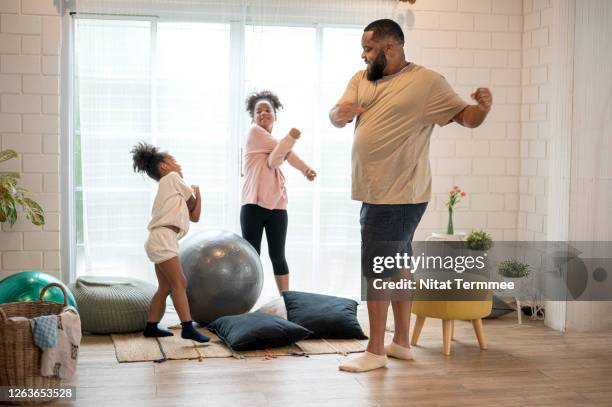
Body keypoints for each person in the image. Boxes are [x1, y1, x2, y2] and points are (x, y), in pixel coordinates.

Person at [329, 19, 492, 372]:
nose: (363, 54)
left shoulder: (427, 83)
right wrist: (338, 115)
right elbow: (335, 114)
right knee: (399, 265)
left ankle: (374, 351)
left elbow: (466, 118)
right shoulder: (362, 79)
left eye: (369, 49)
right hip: (375, 192)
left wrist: (482, 109)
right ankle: (401, 342)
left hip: (399, 192)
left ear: (391, 48)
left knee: (377, 269)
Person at [131, 142, 209, 343]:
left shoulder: (170, 188)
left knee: (165, 287)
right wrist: (198, 192)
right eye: (175, 161)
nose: (179, 166)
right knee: (179, 283)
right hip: (163, 238)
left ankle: (151, 326)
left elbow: (194, 217)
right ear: (165, 166)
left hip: (161, 238)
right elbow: (195, 209)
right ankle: (187, 328)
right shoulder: (173, 179)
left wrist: (195, 196)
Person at [241, 91, 317, 294]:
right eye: (258, 111)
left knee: (278, 255)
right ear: (253, 117)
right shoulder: (254, 133)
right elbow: (280, 155)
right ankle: (245, 301)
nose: (263, 113)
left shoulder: (273, 142)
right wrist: (292, 138)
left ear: (275, 116)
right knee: (251, 255)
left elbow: (276, 157)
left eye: (268, 110)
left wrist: (306, 170)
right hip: (253, 204)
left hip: (277, 205)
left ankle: (287, 300)